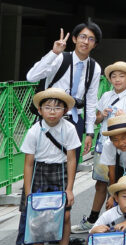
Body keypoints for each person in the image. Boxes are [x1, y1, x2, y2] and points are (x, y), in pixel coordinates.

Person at [8, 88, 81, 245]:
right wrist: (28, 191)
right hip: (39, 170)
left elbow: (72, 159)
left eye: (57, 107)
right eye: (47, 107)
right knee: (37, 217)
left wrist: (70, 188)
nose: (52, 111)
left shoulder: (69, 128)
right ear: (40, 110)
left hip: (61, 170)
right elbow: (28, 163)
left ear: (65, 111)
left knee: (65, 214)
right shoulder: (34, 131)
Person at [73, 61, 126, 234]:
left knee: (117, 184)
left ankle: (115, 221)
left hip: (121, 147)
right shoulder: (106, 96)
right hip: (103, 145)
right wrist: (101, 115)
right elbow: (96, 120)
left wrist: (123, 117)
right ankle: (93, 220)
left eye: (121, 76)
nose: (117, 80)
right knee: (100, 184)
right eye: (114, 76)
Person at [25, 23, 102, 161]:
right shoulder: (60, 58)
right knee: (43, 162)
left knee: (71, 166)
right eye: (82, 37)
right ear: (74, 39)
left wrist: (89, 132)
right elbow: (31, 77)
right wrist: (54, 52)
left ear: (95, 44)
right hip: (51, 117)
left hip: (75, 120)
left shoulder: (94, 67)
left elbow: (91, 100)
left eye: (91, 39)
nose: (85, 42)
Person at [78, 115, 126, 230]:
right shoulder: (108, 145)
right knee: (112, 203)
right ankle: (112, 230)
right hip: (119, 169)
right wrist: (113, 196)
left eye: (124, 138)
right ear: (111, 139)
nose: (121, 143)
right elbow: (111, 174)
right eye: (115, 140)